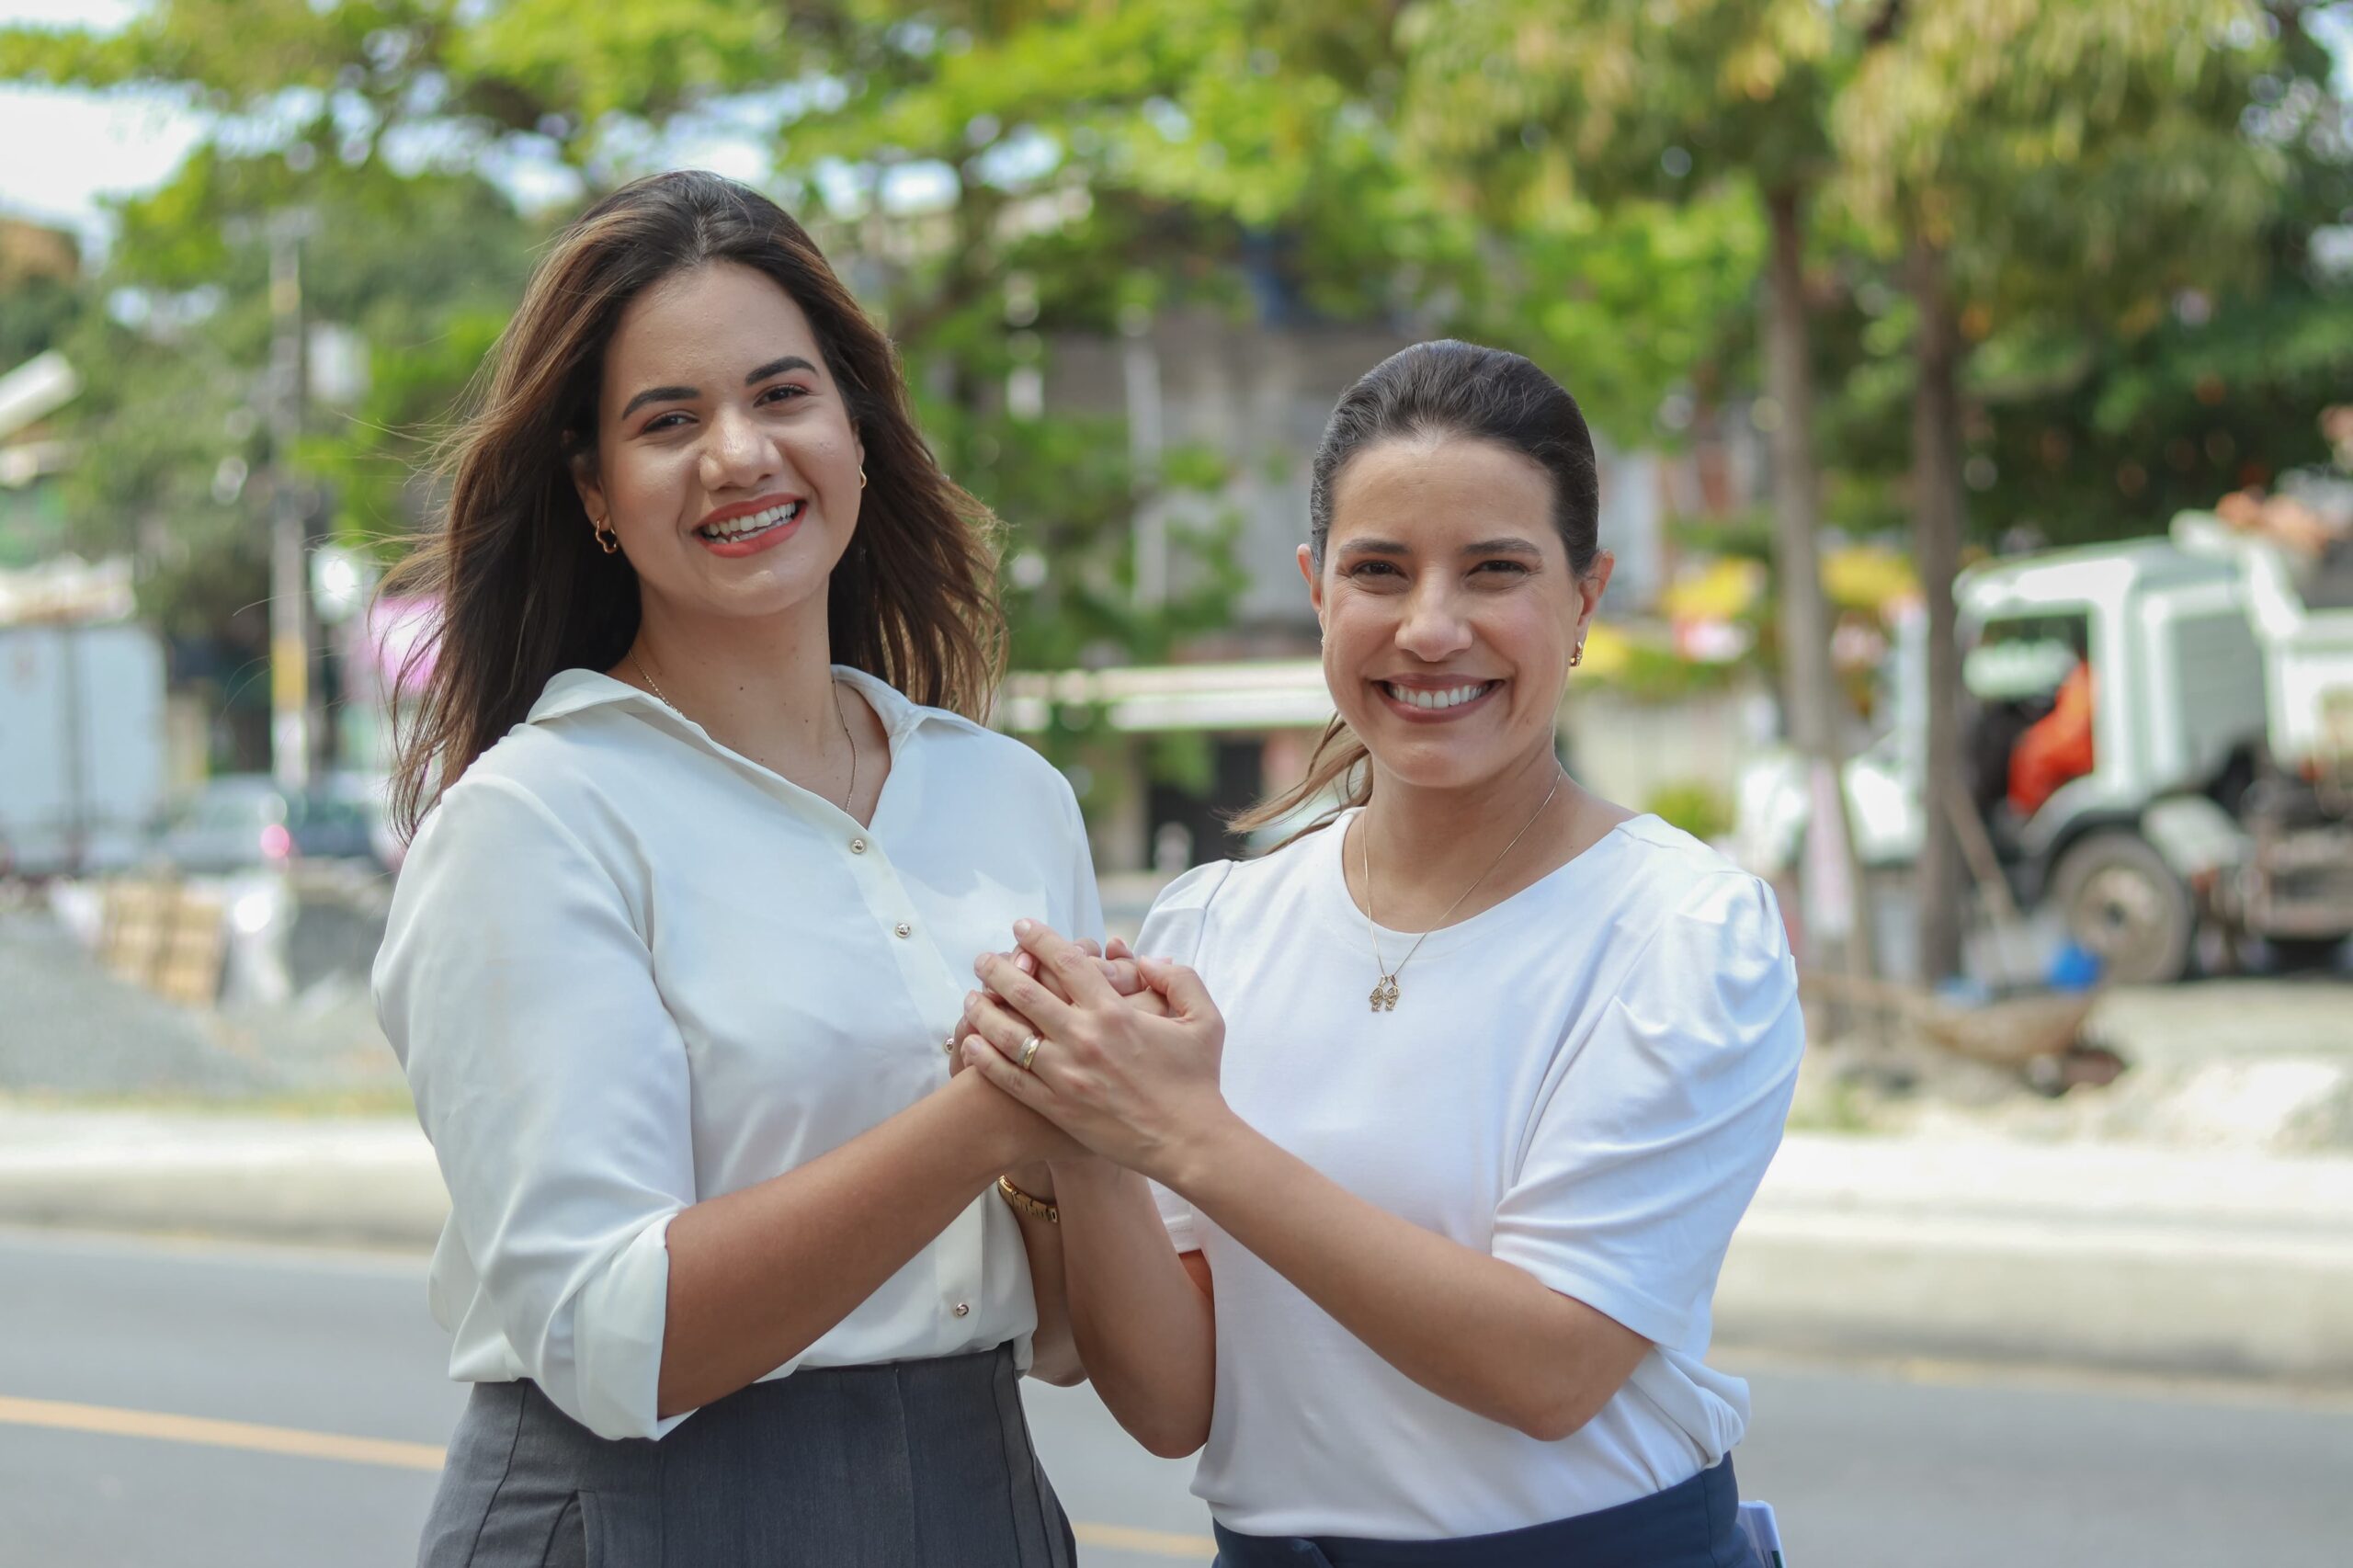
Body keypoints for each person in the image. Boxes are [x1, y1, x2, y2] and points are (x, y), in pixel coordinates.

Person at [959, 341, 1805, 1567]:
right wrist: (1086, 1142)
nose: (1430, 626)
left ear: (1585, 597)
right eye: (1380, 571)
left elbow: (1549, 1364)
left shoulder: (1681, 933)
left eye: (1496, 569)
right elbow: (1174, 1405)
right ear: (1317, 590)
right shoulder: (1215, 926)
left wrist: (1184, 1133)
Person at [373, 170, 1099, 1567]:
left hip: (981, 1497)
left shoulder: (1009, 798)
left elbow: (1063, 1326)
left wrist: (1107, 1135)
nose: (739, 454)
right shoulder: (537, 818)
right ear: (593, 488)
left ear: (859, 429)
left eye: (782, 396)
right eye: (667, 420)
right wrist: (995, 1117)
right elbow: (611, 1335)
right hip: (646, 1514)